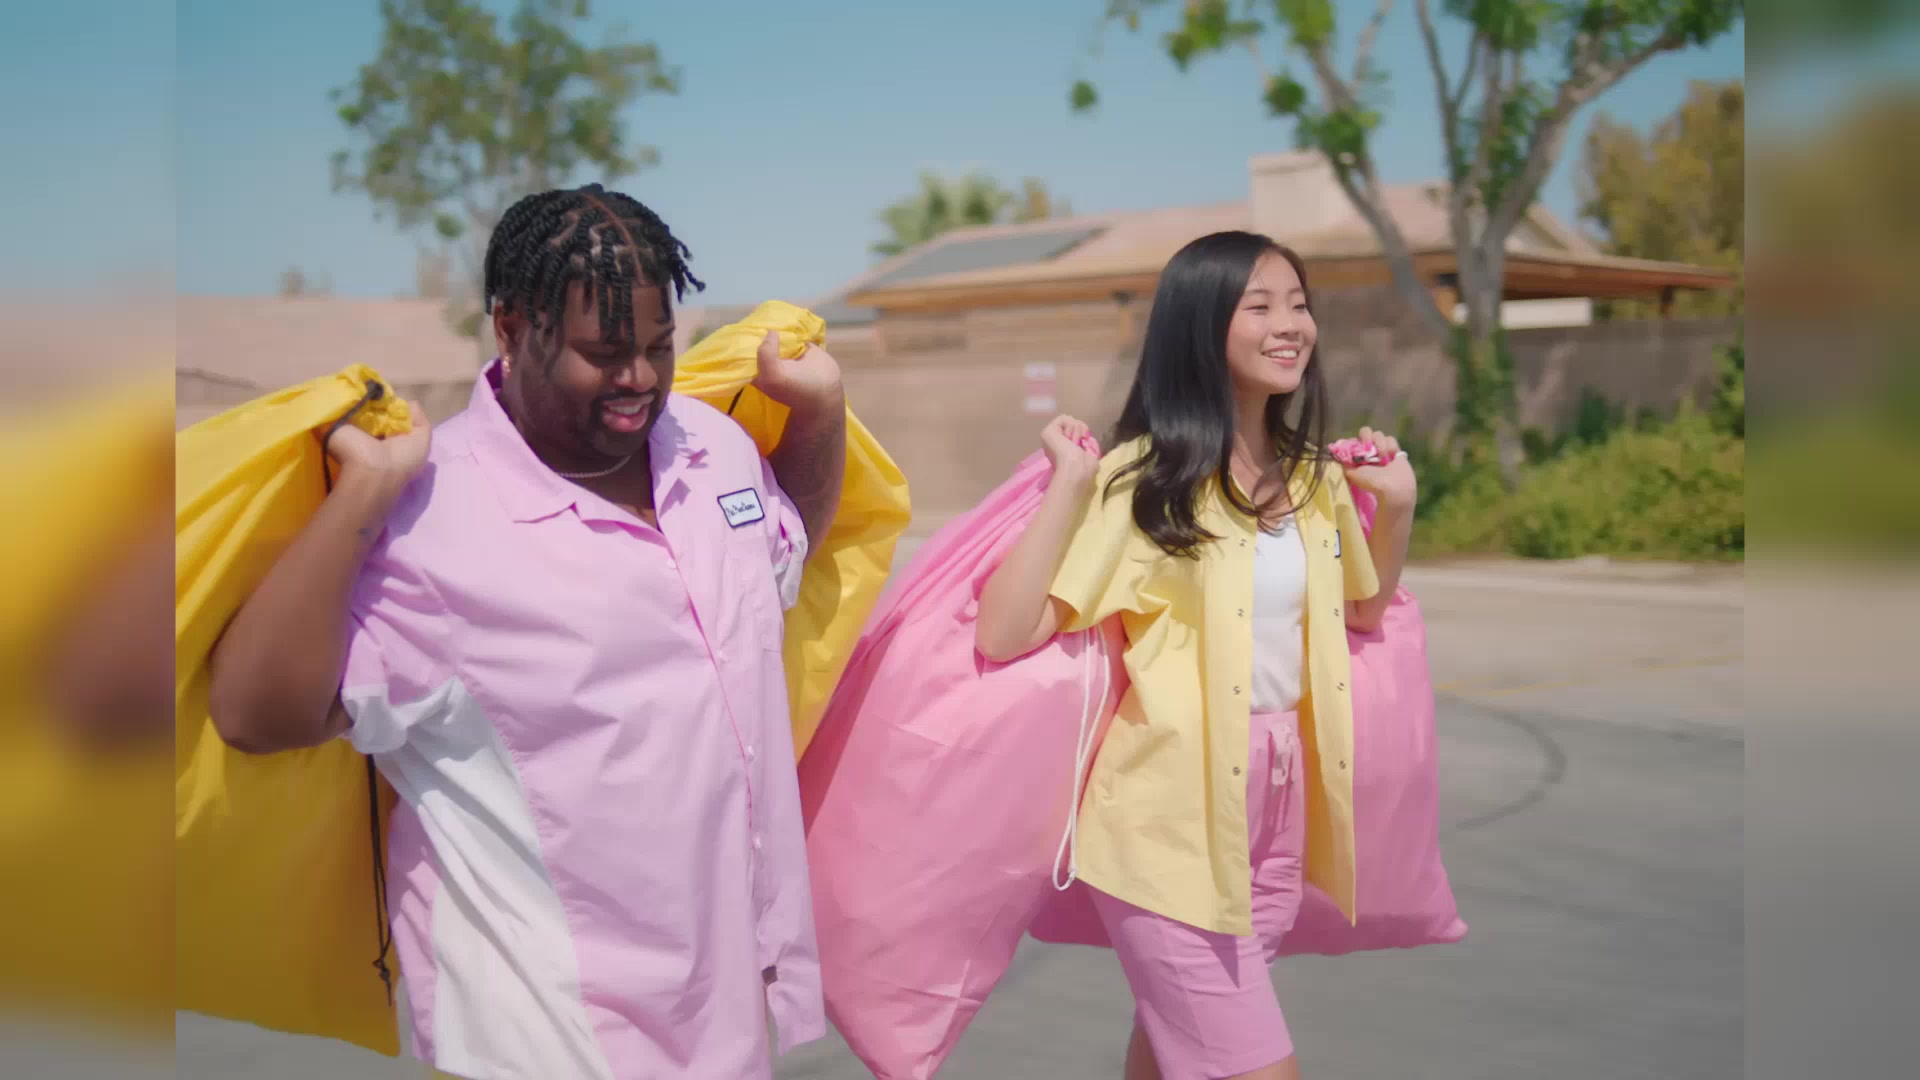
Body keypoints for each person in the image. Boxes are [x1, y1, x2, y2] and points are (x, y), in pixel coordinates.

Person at [206, 184, 846, 1079]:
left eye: (659, 346)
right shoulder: (431, 517)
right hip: (544, 1033)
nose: (640, 379)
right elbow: (254, 715)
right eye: (604, 352)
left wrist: (819, 416)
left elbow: (782, 556)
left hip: (720, 1016)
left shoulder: (713, 447)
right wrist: (362, 494)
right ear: (511, 327)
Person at [974, 231, 1419, 1080]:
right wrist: (1070, 482)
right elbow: (1006, 631)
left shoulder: (1316, 480)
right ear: (1200, 327)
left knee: (1177, 1049)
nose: (1290, 325)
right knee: (1249, 1063)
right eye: (1261, 306)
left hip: (1278, 811)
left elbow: (1361, 609)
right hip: (1165, 822)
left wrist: (1394, 510)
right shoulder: (1144, 482)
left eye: (1299, 305)